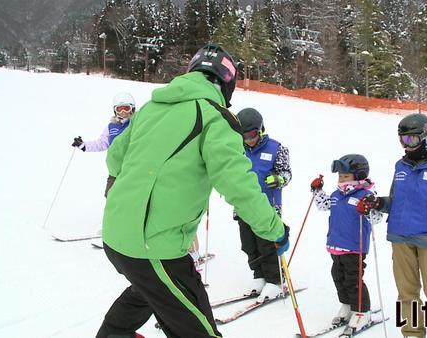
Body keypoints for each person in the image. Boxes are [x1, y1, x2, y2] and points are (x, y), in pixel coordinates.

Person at [96, 43, 289, 338]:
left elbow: (114, 159)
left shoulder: (150, 108)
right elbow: (239, 185)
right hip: (154, 247)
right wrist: (274, 229)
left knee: (151, 289)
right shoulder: (216, 117)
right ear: (227, 84)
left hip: (116, 235)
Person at [357, 113, 427, 338]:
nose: (406, 145)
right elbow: (396, 201)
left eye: (411, 140)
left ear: (426, 137)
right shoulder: (401, 166)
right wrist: (378, 203)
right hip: (401, 236)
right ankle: (413, 333)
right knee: (407, 292)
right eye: (402, 140)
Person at [310, 154, 375, 334]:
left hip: (355, 247)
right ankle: (347, 305)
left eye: (345, 176)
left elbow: (376, 218)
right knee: (338, 277)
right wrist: (317, 191)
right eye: (339, 176)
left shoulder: (366, 195)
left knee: (354, 280)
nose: (341, 179)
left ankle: (362, 311)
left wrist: (369, 207)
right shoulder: (336, 195)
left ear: (359, 175)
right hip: (336, 245)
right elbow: (323, 206)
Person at [235, 107, 292, 303]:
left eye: (252, 135)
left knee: (266, 243)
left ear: (260, 130)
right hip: (244, 204)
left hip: (268, 205)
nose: (249, 139)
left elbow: (287, 173)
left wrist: (278, 179)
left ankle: (275, 280)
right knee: (249, 243)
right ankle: (258, 275)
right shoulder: (237, 148)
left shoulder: (276, 148)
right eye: (245, 135)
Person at [71, 92, 136, 197]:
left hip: (132, 170)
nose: (123, 112)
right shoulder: (112, 126)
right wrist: (84, 146)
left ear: (132, 109)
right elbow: (102, 143)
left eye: (126, 108)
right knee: (110, 196)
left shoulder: (136, 123)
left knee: (129, 197)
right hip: (115, 172)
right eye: (120, 109)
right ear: (115, 110)